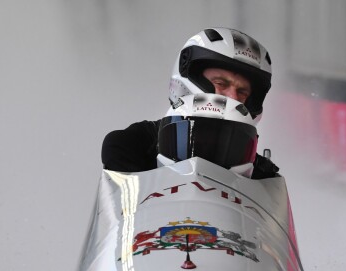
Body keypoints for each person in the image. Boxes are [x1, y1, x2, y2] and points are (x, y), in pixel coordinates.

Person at [101, 27, 279, 179]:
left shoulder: (265, 176)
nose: (232, 96)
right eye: (221, 83)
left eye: (242, 92)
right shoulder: (132, 145)